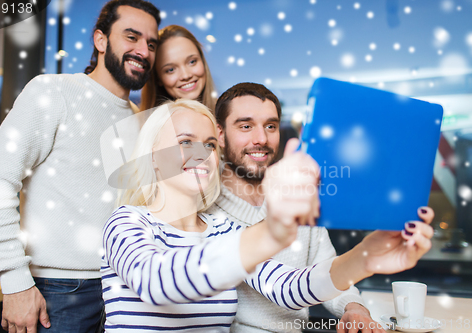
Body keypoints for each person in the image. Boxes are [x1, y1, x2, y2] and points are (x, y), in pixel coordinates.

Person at [101, 98, 434, 332]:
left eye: (210, 145)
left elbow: (290, 288)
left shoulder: (223, 230)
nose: (201, 154)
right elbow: (157, 282)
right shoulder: (127, 221)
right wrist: (272, 231)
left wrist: (366, 256)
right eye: (185, 142)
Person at [0, 1, 160, 332]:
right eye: (131, 37)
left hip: (125, 292)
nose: (143, 50)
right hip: (57, 293)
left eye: (151, 44)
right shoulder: (53, 92)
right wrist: (14, 280)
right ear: (100, 40)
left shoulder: (139, 122)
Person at [206, 82, 431, 333]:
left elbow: (327, 270)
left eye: (271, 126)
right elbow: (289, 288)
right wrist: (365, 257)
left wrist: (354, 308)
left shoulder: (303, 198)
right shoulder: (204, 208)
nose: (261, 139)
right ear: (221, 134)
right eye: (246, 126)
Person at [140, 24, 217, 111]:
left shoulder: (227, 116)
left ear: (202, 61)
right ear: (158, 79)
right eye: (171, 70)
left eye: (192, 62)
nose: (186, 75)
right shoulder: (153, 124)